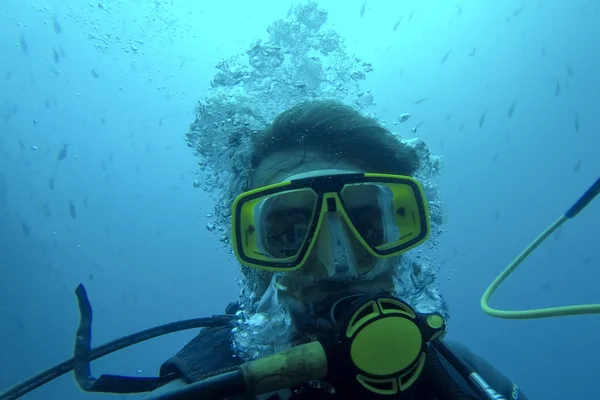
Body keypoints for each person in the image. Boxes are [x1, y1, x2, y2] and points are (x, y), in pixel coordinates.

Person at [143, 100, 528, 400]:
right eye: (291, 231)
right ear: (252, 264)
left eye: (365, 224)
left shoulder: (468, 379)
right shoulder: (201, 389)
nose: (338, 263)